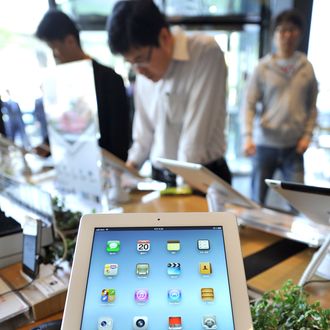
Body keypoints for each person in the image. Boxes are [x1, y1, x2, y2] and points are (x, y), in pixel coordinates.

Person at [107, 0, 231, 186]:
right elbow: (144, 133)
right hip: (161, 179)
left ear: (164, 37)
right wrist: (127, 173)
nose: (139, 70)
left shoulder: (205, 53)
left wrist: (181, 189)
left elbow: (195, 138)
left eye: (141, 59)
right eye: (131, 62)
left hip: (202, 177)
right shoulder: (143, 72)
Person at [242, 9, 318, 205]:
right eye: (282, 30)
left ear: (299, 33)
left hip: (294, 146)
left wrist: (307, 135)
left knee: (299, 203)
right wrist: (247, 136)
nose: (287, 35)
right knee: (256, 201)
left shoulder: (306, 67)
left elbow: (312, 106)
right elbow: (249, 104)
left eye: (292, 30)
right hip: (264, 144)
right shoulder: (263, 67)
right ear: (275, 34)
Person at [36, 9, 130, 161]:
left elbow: (119, 139)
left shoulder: (109, 79)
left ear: (70, 41)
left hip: (105, 170)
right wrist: (47, 146)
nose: (54, 55)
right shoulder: (60, 82)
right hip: (70, 167)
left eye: (54, 47)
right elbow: (61, 125)